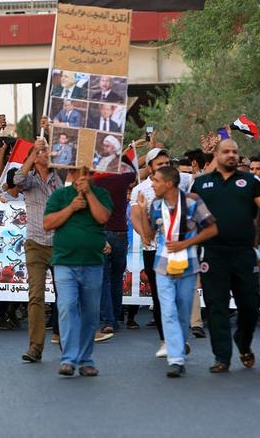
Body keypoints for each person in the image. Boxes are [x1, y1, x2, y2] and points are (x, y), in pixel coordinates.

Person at [136, 165, 217, 377]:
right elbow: (147, 237)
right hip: (163, 265)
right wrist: (143, 211)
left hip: (188, 264)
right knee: (168, 310)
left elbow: (212, 229)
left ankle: (178, 349)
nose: (152, 184)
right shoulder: (155, 204)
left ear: (169, 183)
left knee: (182, 311)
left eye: (155, 180)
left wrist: (186, 244)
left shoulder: (192, 201)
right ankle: (175, 359)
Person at [192, 138, 260, 373]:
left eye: (235, 151)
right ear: (217, 155)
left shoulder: (251, 182)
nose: (232, 155)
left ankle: (243, 341)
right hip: (213, 254)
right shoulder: (200, 184)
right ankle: (222, 357)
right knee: (216, 307)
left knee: (250, 305)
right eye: (227, 151)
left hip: (243, 253)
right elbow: (189, 217)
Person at [44, 169, 112, 376]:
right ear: (72, 173)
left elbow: (102, 218)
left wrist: (89, 194)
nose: (84, 176)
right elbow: (47, 224)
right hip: (65, 262)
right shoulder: (60, 196)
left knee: (90, 313)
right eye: (80, 172)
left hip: (93, 263)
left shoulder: (101, 194)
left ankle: (85, 360)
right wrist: (71, 208)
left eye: (89, 173)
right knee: (67, 307)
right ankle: (69, 359)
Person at [130, 148, 194, 357]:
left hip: (180, 250)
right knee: (160, 298)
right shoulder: (140, 189)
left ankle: (180, 337)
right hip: (154, 250)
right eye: (159, 165)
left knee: (180, 297)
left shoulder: (181, 181)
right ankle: (166, 340)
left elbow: (203, 177)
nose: (164, 167)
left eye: (167, 163)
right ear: (150, 168)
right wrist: (145, 235)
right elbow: (135, 217)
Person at [14, 136, 63, 362]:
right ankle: (35, 347)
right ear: (34, 159)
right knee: (36, 296)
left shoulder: (58, 180)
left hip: (59, 243)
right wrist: (34, 151)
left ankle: (67, 341)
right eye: (44, 152)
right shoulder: (29, 180)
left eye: (47, 151)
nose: (48, 153)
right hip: (35, 243)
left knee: (65, 296)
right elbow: (17, 178)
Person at [94, 161, 137, 337]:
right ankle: (116, 316)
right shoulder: (123, 178)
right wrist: (125, 154)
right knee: (117, 277)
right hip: (120, 233)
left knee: (104, 278)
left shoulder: (95, 180)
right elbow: (133, 173)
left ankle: (108, 320)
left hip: (102, 232)